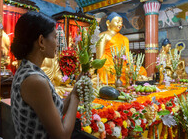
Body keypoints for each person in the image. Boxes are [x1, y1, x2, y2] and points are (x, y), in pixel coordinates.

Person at [10, 11, 82, 139]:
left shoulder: (31, 70)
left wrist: (75, 88)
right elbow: (62, 136)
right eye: (54, 37)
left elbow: (57, 110)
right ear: (41, 41)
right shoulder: (35, 80)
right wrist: (76, 96)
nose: (57, 43)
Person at [96, 12, 147, 85]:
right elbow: (99, 58)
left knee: (141, 70)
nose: (120, 24)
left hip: (122, 65)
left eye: (121, 22)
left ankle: (133, 83)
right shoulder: (103, 36)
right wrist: (103, 65)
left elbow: (127, 55)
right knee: (107, 70)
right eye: (117, 22)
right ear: (108, 23)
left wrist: (130, 66)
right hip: (108, 64)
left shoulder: (124, 38)